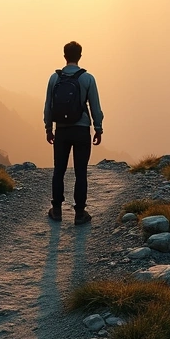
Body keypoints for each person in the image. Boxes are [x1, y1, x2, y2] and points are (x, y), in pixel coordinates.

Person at [44, 40, 103, 225]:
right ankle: (79, 214)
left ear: (64, 56)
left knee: (59, 170)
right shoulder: (88, 79)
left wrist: (48, 128)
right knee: (81, 171)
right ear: (80, 56)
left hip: (61, 130)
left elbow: (48, 107)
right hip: (81, 130)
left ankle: (57, 210)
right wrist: (98, 128)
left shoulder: (55, 78)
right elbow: (95, 107)